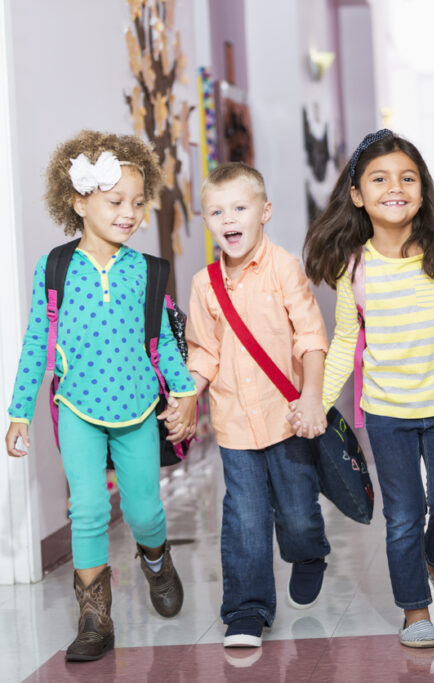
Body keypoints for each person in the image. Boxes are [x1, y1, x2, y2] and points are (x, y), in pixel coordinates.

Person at [304, 130, 434, 649]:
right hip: (387, 415)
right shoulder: (355, 265)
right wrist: (315, 404)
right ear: (357, 194)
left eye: (407, 177)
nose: (396, 187)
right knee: (403, 518)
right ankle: (415, 611)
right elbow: (346, 337)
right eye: (380, 178)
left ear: (422, 188)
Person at [5, 131, 196, 661]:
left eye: (138, 202)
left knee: (144, 510)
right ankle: (95, 618)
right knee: (87, 508)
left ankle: (156, 561)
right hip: (78, 409)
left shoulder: (146, 271)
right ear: (78, 201)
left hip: (137, 408)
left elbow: (163, 345)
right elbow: (36, 343)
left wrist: (184, 395)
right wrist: (18, 411)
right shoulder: (55, 267)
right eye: (116, 202)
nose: (129, 213)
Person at [186, 162, 331, 648]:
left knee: (296, 511)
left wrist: (311, 397)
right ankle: (246, 610)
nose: (228, 219)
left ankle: (309, 553)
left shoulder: (284, 266)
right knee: (244, 516)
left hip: (287, 416)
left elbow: (311, 337)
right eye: (216, 211)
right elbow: (203, 349)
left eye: (239, 208)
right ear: (206, 220)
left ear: (264, 212)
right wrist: (188, 396)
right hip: (232, 421)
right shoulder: (204, 284)